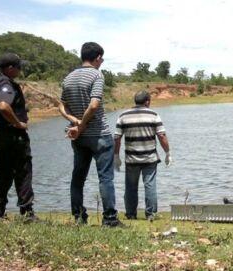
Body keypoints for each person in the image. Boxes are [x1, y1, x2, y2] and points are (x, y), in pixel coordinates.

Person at [59, 42, 122, 227]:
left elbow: (61, 105)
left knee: (78, 177)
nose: (102, 61)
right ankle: (110, 219)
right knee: (105, 178)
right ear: (97, 57)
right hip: (99, 135)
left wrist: (75, 122)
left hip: (78, 138)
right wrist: (83, 124)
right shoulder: (96, 75)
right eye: (101, 58)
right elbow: (94, 105)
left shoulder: (68, 77)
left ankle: (79, 217)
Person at [114, 91, 171, 220]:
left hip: (131, 159)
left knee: (130, 187)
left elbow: (117, 138)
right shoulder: (154, 115)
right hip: (150, 158)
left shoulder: (123, 115)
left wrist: (116, 156)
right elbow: (161, 135)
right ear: (147, 101)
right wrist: (168, 152)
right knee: (150, 185)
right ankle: (151, 214)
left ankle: (130, 214)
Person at [0, 53, 37, 221]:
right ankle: (27, 212)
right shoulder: (5, 84)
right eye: (18, 67)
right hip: (14, 136)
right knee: (23, 171)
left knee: (4, 172)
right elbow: (3, 106)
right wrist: (18, 123)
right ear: (10, 68)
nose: (20, 70)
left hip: (1, 135)